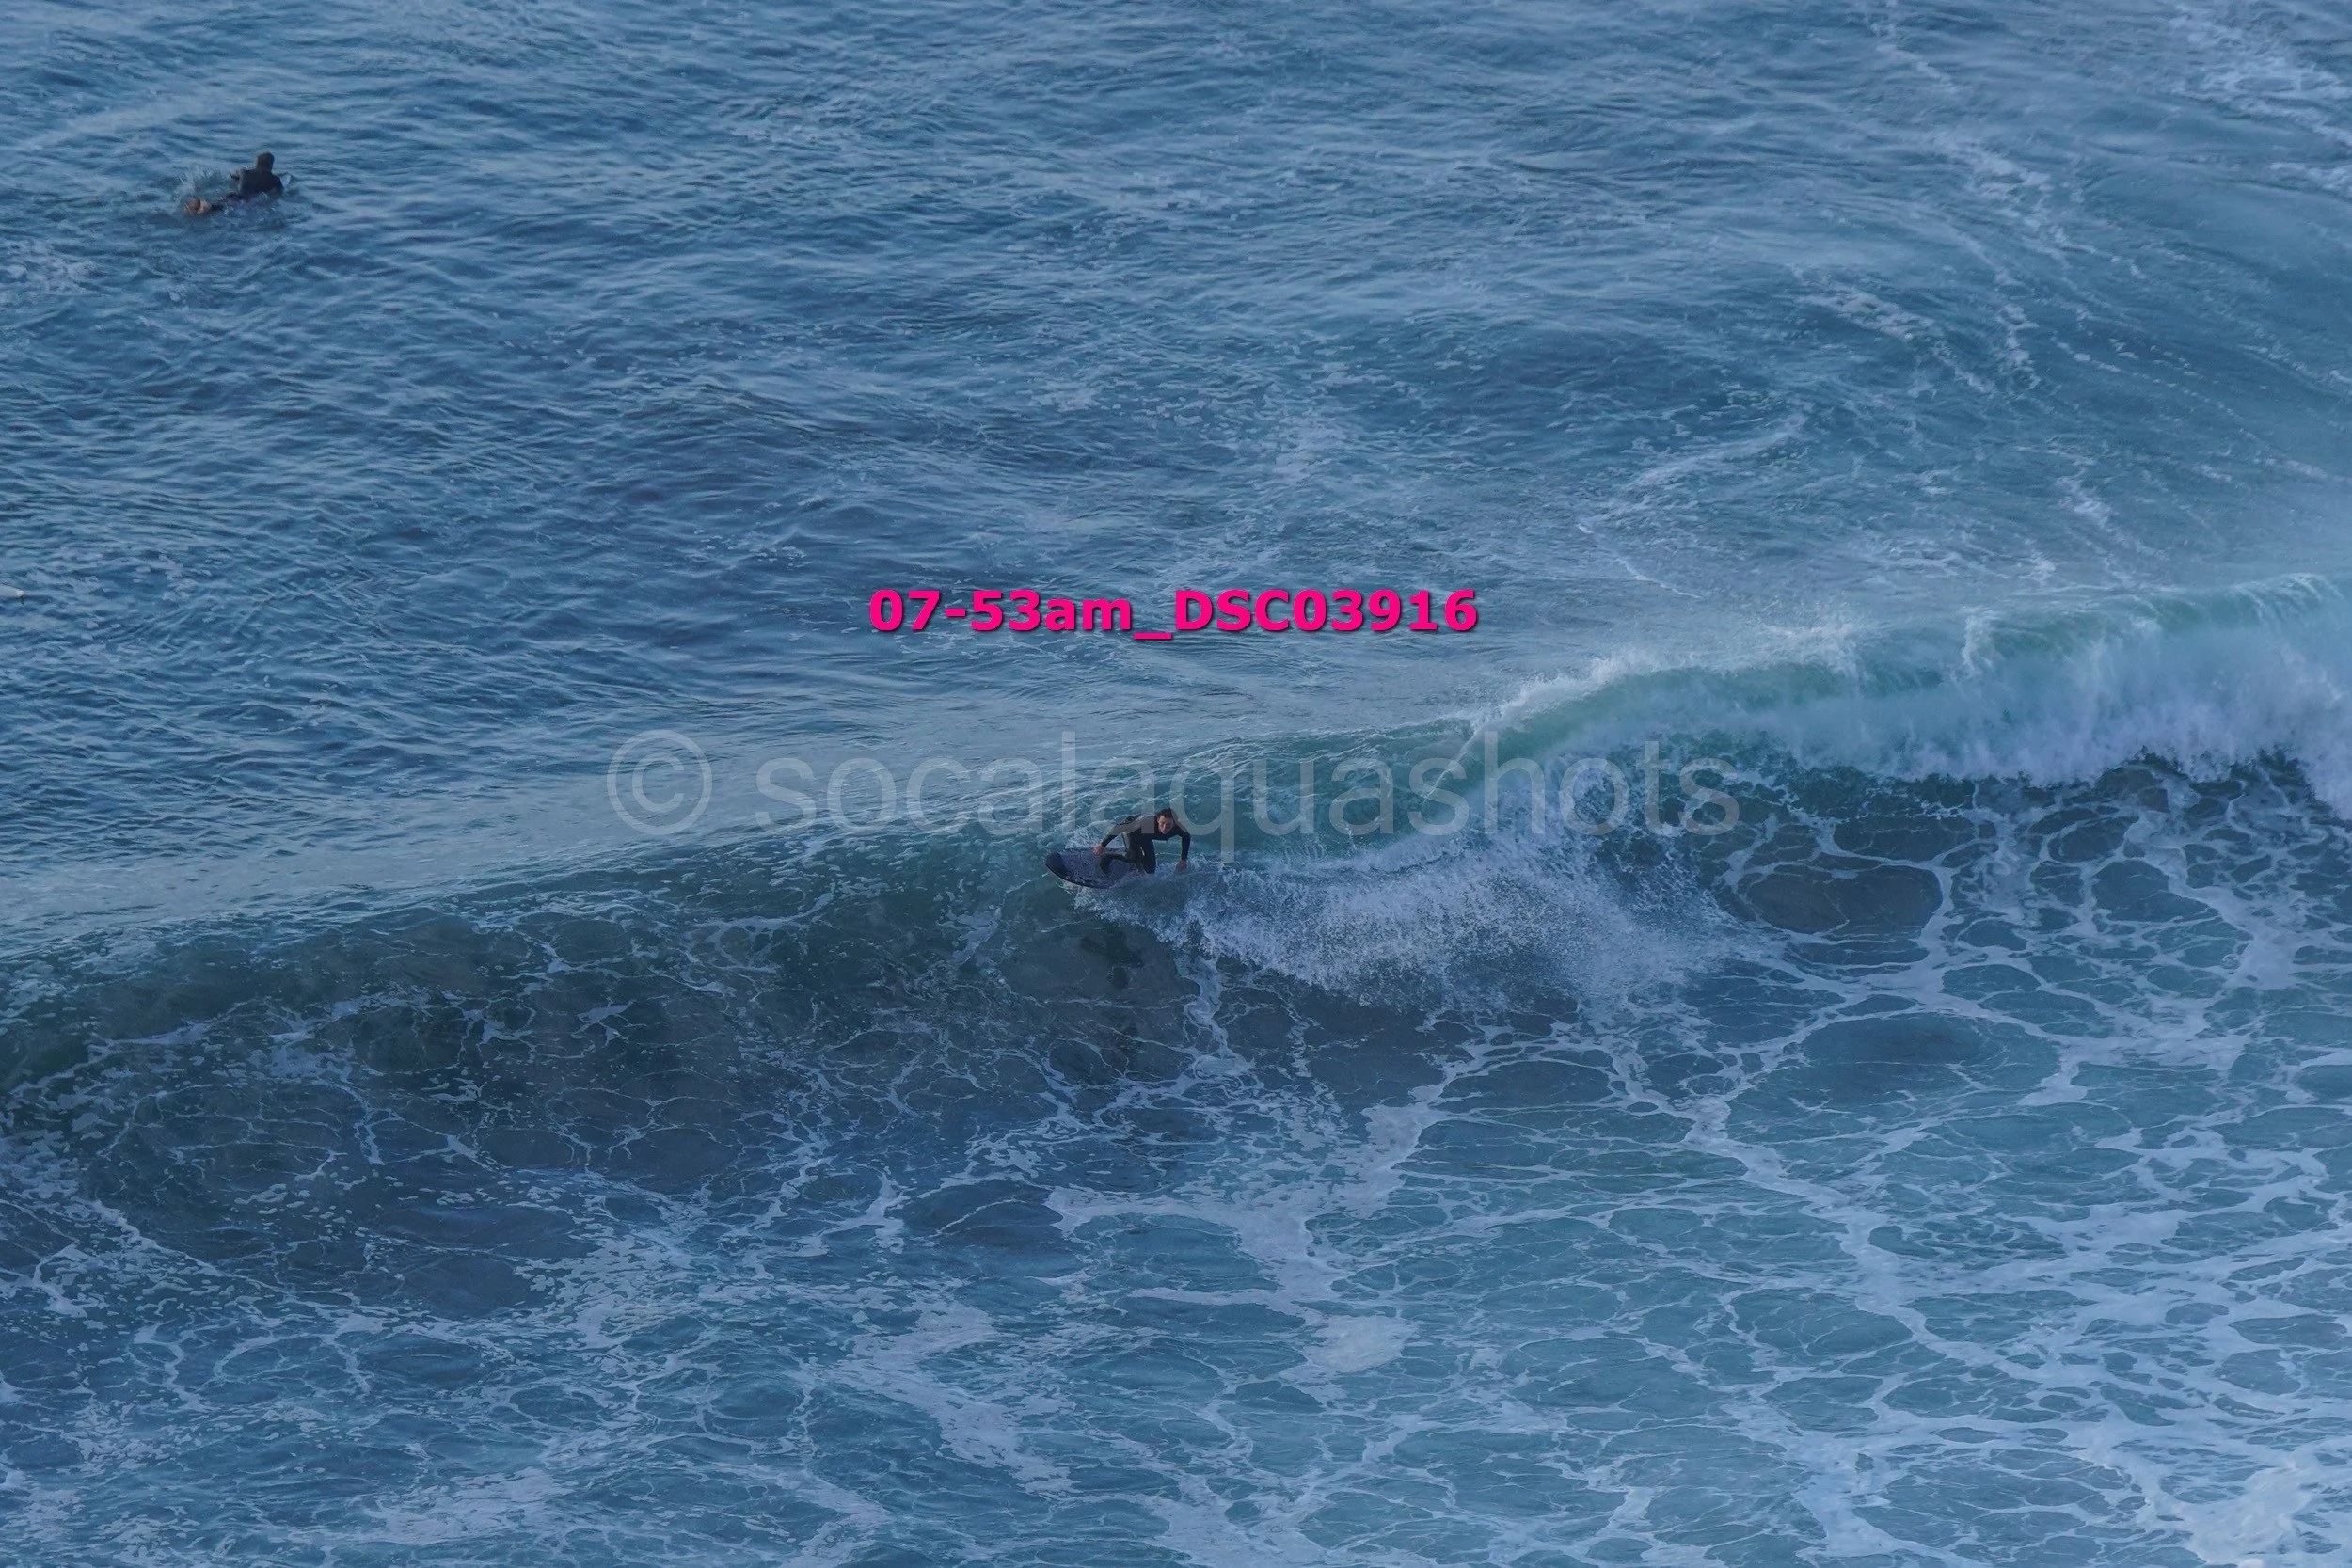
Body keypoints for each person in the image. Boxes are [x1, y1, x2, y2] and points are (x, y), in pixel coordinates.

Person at [1095, 807, 1190, 875]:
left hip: (1146, 836)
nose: (1165, 828)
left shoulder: (1179, 828)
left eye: (1169, 825)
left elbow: (1186, 837)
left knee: (1151, 869)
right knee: (1133, 857)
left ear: (1174, 824)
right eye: (1162, 823)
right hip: (1131, 831)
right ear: (1157, 820)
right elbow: (1119, 827)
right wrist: (1103, 845)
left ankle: (1136, 859)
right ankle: (1108, 856)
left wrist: (1183, 859)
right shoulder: (1148, 822)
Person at [184, 151, 283, 215]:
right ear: (270, 166)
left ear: (256, 163)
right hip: (248, 199)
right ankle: (206, 206)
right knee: (226, 207)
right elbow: (279, 193)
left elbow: (233, 176)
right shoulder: (274, 179)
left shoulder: (245, 171)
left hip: (234, 194)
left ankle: (202, 204)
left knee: (223, 202)